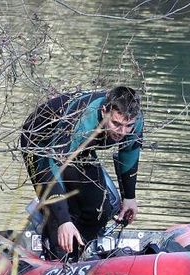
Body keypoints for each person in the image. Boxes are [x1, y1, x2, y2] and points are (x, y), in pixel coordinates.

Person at [20, 86, 143, 259]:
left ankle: (77, 255)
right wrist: (63, 220)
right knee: (61, 210)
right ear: (104, 111)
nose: (122, 132)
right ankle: (55, 256)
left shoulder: (135, 119)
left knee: (100, 210)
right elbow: (51, 167)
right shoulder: (82, 121)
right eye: (116, 124)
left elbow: (129, 155)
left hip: (79, 146)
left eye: (128, 126)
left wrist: (129, 197)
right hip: (41, 144)